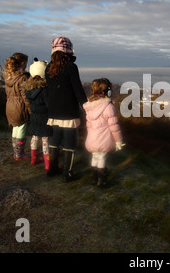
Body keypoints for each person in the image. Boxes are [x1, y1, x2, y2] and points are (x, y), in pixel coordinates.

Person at [45, 37, 87, 182]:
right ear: (68, 50)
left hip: (53, 110)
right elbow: (78, 90)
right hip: (68, 111)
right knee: (70, 142)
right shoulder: (70, 67)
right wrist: (86, 106)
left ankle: (52, 169)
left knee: (55, 140)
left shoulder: (48, 67)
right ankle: (67, 173)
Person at [83, 78, 124, 188]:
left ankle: (94, 178)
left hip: (91, 140)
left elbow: (88, 125)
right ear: (108, 91)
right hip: (103, 141)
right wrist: (118, 141)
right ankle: (102, 181)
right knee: (101, 157)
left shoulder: (89, 106)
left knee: (95, 156)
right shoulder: (109, 107)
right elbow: (114, 127)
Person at [21, 58, 53, 171]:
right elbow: (49, 104)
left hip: (34, 116)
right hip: (45, 117)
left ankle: (34, 159)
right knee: (45, 140)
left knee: (34, 137)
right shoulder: (45, 89)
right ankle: (48, 164)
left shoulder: (28, 88)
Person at [4, 52, 31, 161]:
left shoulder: (8, 76)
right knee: (21, 128)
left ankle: (16, 151)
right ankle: (20, 153)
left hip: (9, 105)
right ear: (22, 63)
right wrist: (30, 109)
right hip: (20, 106)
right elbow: (25, 96)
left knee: (15, 128)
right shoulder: (22, 78)